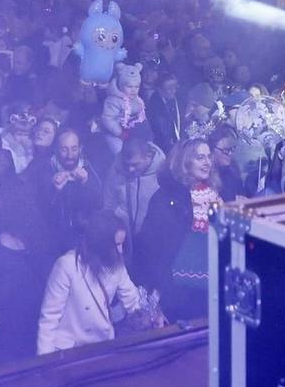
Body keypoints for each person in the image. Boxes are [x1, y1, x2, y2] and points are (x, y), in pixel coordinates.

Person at [36, 209, 147, 355]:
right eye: (116, 245)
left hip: (102, 345)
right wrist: (45, 363)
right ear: (101, 243)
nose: (120, 251)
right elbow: (49, 318)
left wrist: (150, 315)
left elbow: (132, 300)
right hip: (69, 350)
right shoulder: (67, 265)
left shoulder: (117, 265)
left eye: (122, 244)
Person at [134, 138, 219, 322]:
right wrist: (162, 292)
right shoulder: (165, 199)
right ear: (184, 162)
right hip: (178, 293)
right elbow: (152, 248)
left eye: (208, 157)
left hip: (210, 289)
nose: (207, 163)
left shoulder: (215, 194)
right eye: (199, 157)